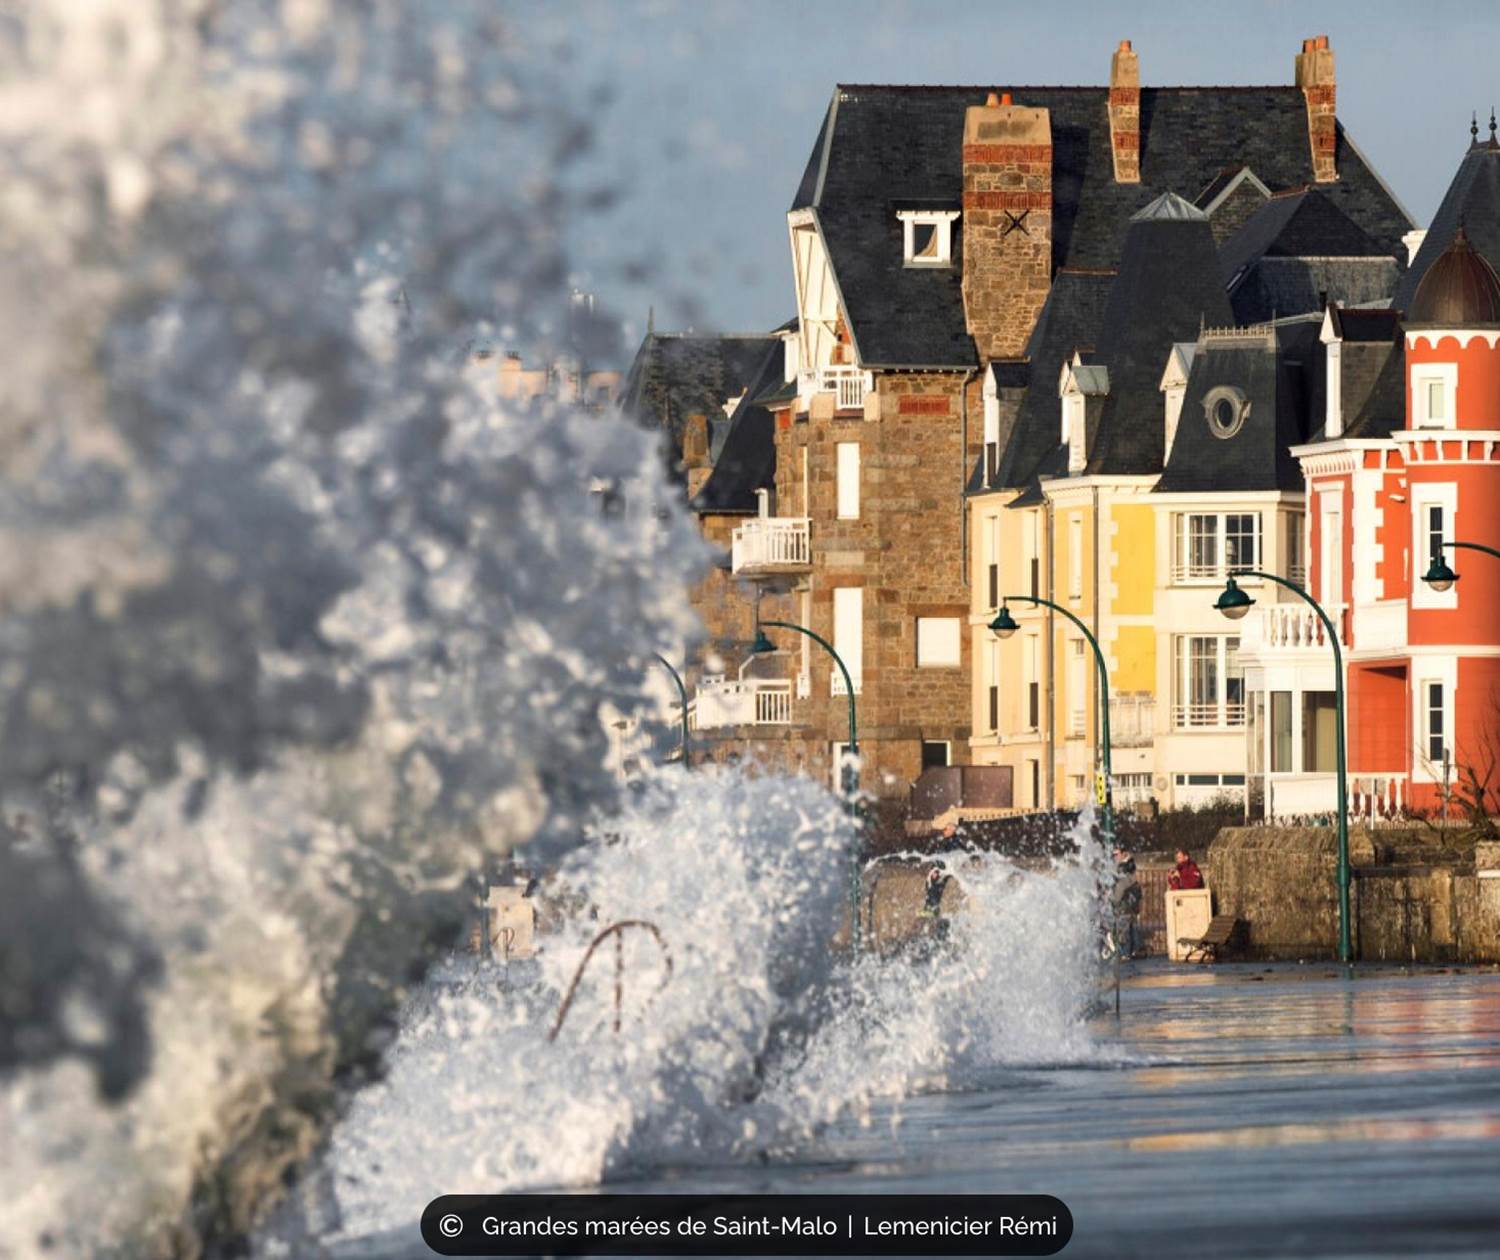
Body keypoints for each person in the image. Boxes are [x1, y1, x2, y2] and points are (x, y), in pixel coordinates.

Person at [1111, 846, 1142, 958]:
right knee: (1131, 926)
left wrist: (1115, 900)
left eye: (1117, 854)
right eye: (1113, 854)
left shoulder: (1126, 865)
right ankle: (1135, 950)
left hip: (1127, 899)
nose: (1115, 857)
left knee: (1125, 926)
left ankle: (1126, 952)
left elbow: (1122, 885)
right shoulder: (1127, 864)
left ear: (1123, 854)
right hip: (1129, 898)